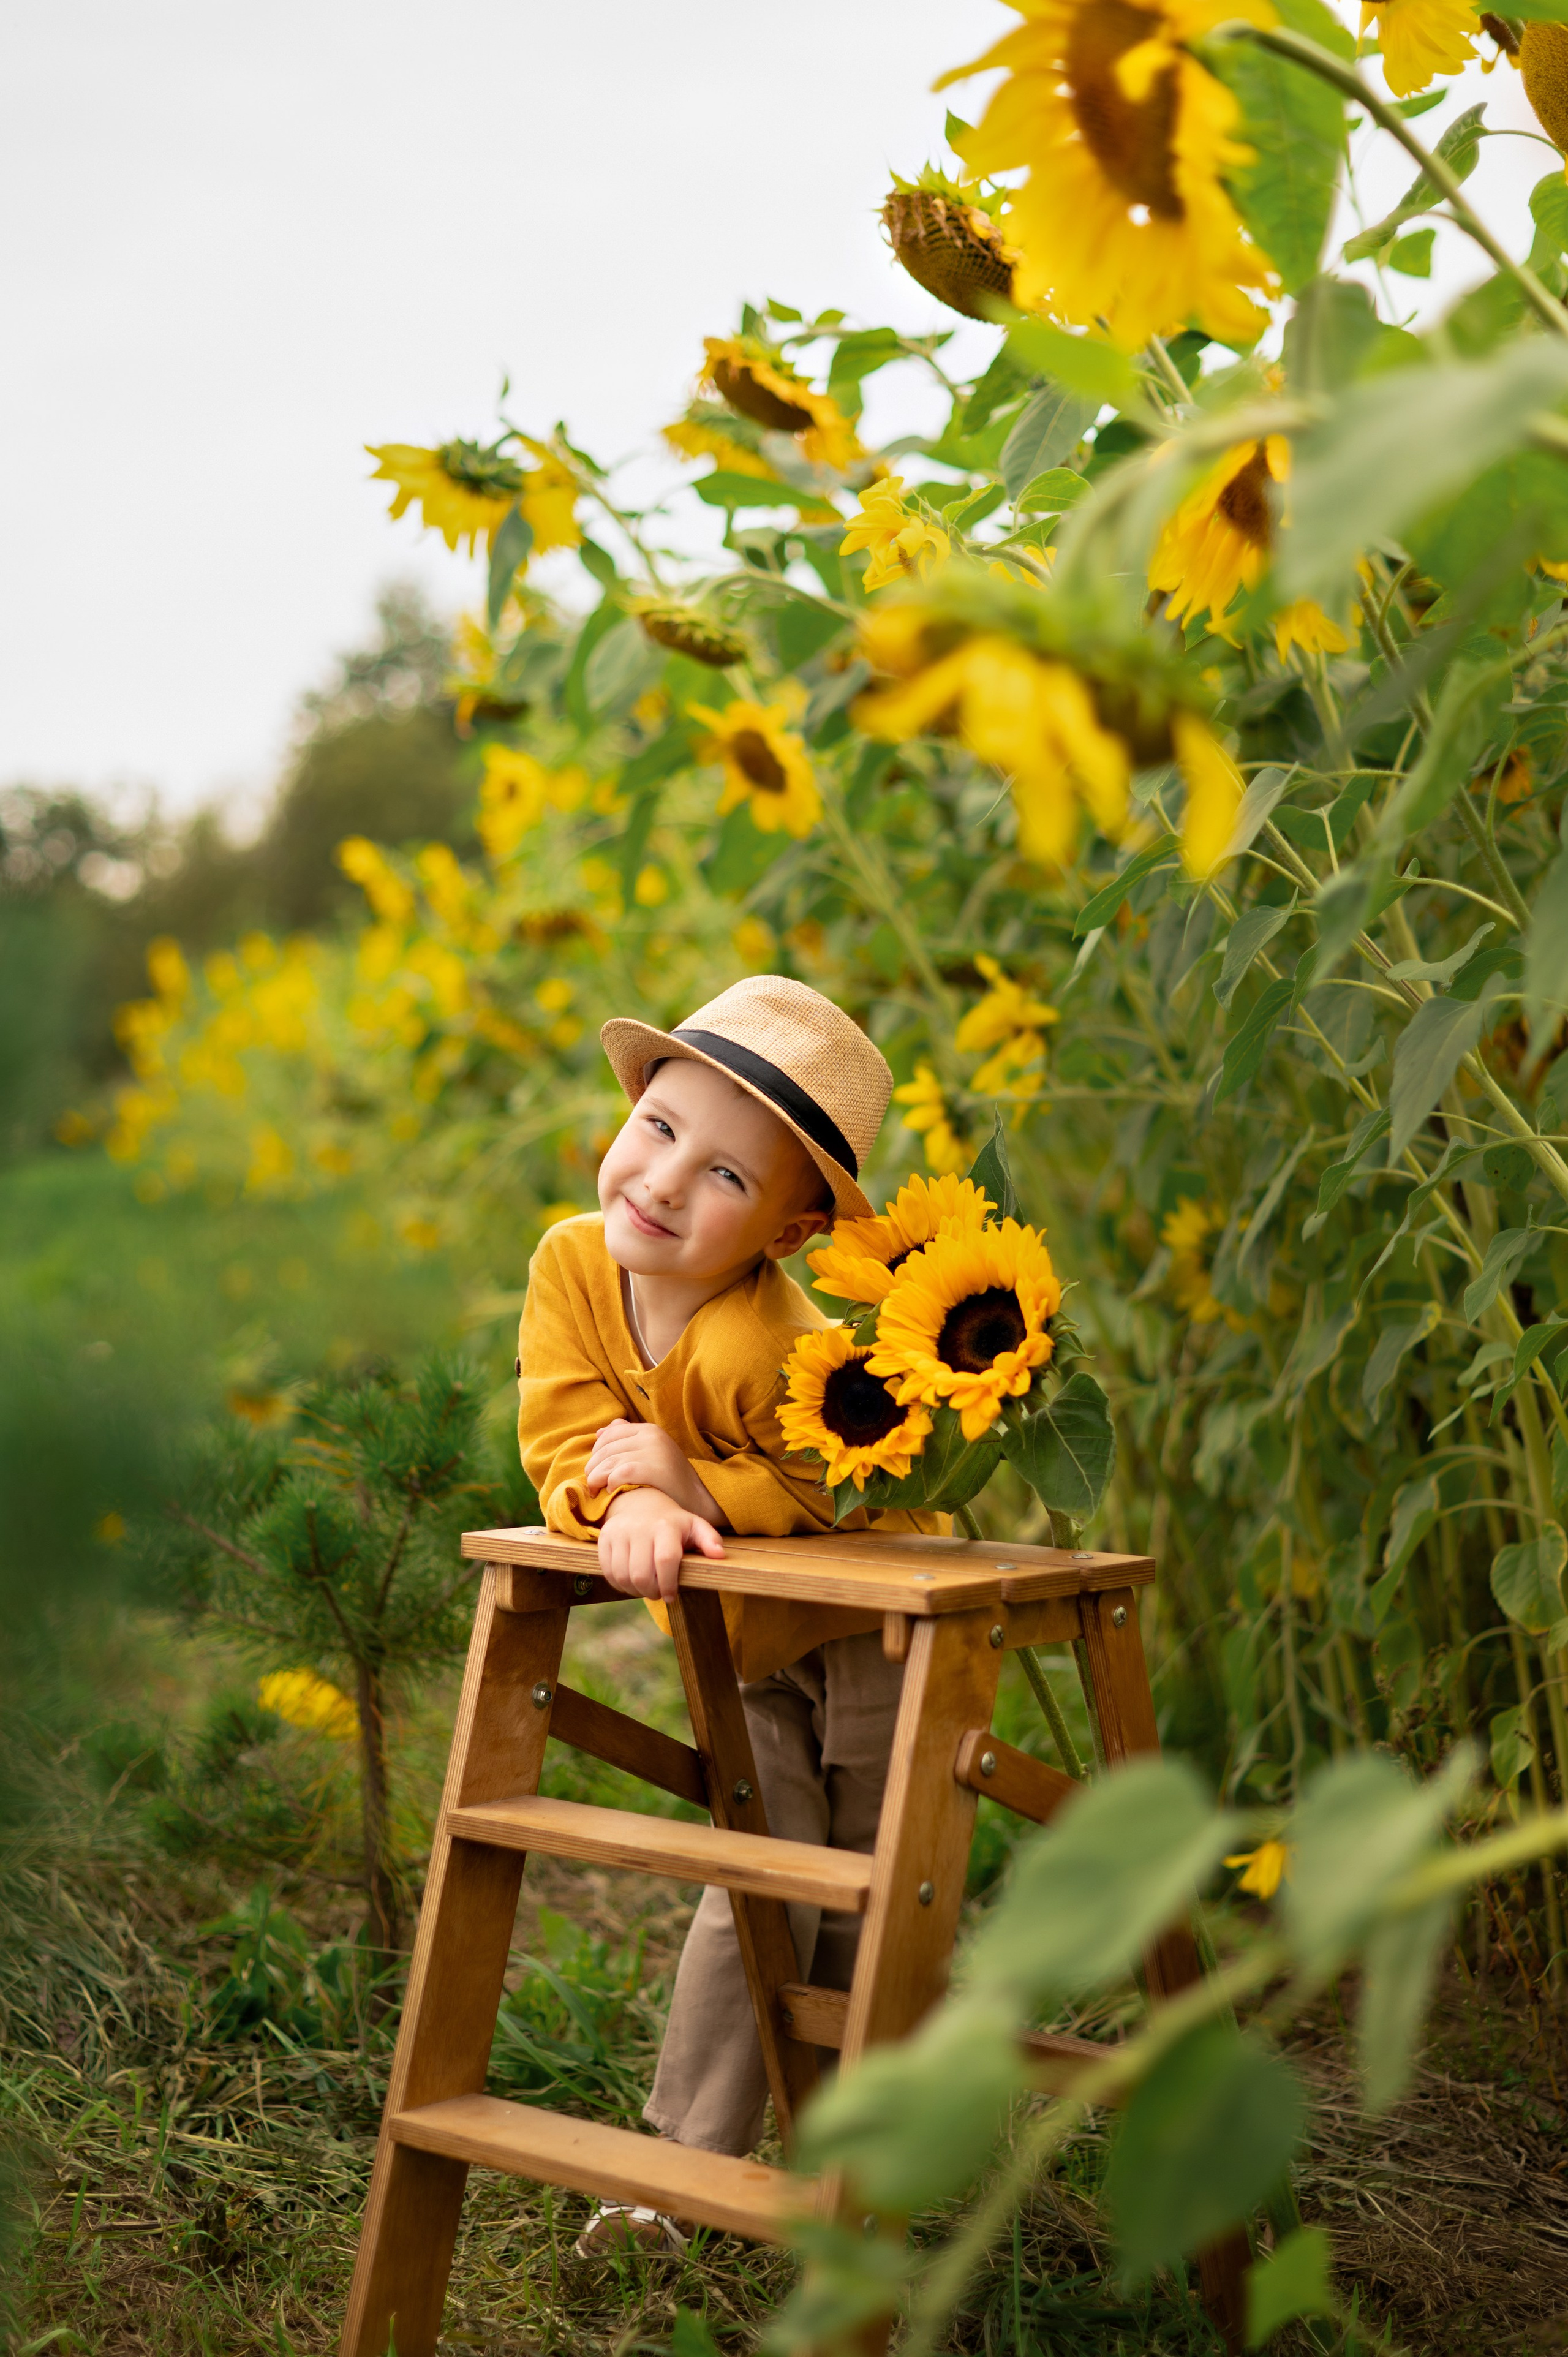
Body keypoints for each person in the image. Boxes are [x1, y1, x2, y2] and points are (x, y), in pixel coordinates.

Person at [514, 974, 941, 2255]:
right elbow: (565, 1433)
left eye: (726, 1178)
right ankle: (673, 2179)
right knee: (751, 1883)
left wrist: (691, 1487)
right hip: (742, 1650)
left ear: (790, 1232)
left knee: (869, 1893)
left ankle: (861, 2168)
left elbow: (841, 1488)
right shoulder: (571, 1266)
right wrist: (619, 1506)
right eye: (658, 1129)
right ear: (632, 1105)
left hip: (866, 1634)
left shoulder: (780, 1343)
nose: (662, 1181)